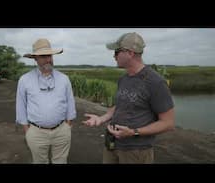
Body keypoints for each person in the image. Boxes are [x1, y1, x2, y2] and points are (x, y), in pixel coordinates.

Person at [83, 32, 175, 164]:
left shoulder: (155, 82)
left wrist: (133, 132)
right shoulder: (124, 79)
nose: (114, 56)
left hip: (136, 151)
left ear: (130, 53)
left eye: (117, 51)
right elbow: (120, 105)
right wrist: (100, 119)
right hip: (112, 145)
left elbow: (168, 123)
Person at [16, 38, 76, 164]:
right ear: (35, 58)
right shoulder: (25, 80)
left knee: (61, 161)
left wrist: (68, 125)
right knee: (39, 161)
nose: (48, 59)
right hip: (36, 132)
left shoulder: (64, 79)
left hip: (61, 131)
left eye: (49, 55)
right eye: (43, 56)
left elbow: (70, 103)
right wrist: (27, 130)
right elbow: (21, 106)